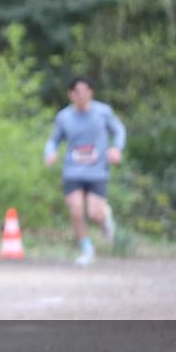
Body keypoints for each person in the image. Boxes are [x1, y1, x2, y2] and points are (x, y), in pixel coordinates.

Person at [44, 76, 126, 266]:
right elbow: (54, 140)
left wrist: (116, 148)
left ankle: (104, 217)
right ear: (70, 94)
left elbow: (119, 130)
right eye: (76, 92)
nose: (80, 96)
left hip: (97, 171)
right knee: (76, 211)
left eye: (84, 91)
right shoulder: (64, 116)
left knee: (95, 213)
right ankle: (87, 249)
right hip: (73, 171)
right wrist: (50, 152)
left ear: (91, 92)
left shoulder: (103, 112)